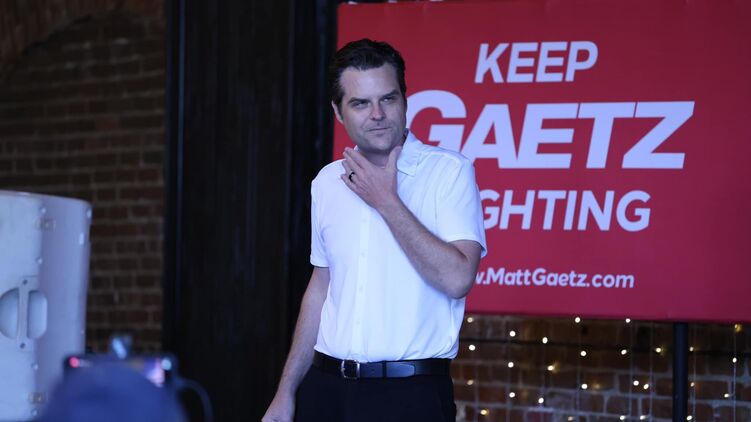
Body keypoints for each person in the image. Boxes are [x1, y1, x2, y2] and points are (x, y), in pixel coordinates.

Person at [262, 39, 486, 422]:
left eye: (388, 99)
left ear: (405, 100)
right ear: (338, 112)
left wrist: (385, 200)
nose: (378, 114)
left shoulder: (449, 172)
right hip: (325, 389)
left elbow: (457, 279)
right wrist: (286, 392)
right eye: (361, 103)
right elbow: (320, 290)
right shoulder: (327, 182)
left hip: (409, 394)